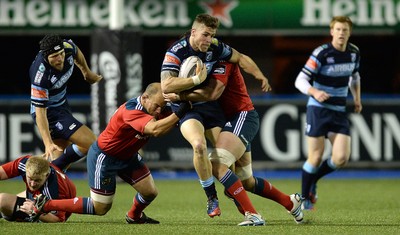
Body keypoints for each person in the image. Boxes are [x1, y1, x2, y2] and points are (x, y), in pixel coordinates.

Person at [25, 83, 192, 224]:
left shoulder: (156, 107)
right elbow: (155, 130)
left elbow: (161, 127)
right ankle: (46, 204)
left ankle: (134, 216)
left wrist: (185, 99)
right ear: (145, 97)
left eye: (162, 107)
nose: (159, 111)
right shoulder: (131, 110)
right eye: (157, 106)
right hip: (104, 157)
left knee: (150, 192)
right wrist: (179, 113)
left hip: (128, 156)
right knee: (101, 208)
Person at [160, 13, 271, 219]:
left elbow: (241, 58)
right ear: (193, 32)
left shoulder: (215, 47)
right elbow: (166, 85)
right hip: (186, 108)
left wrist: (259, 75)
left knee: (232, 167)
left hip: (211, 108)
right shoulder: (175, 52)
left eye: (211, 35)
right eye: (205, 35)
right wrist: (195, 79)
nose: (208, 40)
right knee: (199, 146)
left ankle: (254, 206)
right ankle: (212, 198)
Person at [165, 61, 303, 225]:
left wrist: (180, 94)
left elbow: (211, 94)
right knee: (246, 181)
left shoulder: (223, 62)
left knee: (216, 165)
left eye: (210, 36)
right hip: (232, 122)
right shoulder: (208, 59)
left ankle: (252, 215)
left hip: (241, 117)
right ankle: (290, 202)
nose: (208, 41)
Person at [294, 16, 362, 210]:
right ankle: (304, 199)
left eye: (345, 30)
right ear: (332, 32)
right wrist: (314, 92)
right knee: (315, 156)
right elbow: (300, 80)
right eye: (338, 29)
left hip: (339, 111)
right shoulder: (321, 53)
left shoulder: (354, 53)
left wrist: (357, 99)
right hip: (318, 109)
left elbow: (355, 77)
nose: (341, 33)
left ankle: (312, 179)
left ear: (349, 33)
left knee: (341, 158)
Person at [29, 34, 102, 167]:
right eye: (54, 56)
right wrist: (48, 143)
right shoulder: (40, 76)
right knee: (92, 143)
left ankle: (50, 178)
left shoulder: (67, 47)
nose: (60, 59)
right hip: (49, 113)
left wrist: (86, 72)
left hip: (62, 106)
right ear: (46, 57)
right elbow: (40, 112)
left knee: (60, 165)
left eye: (61, 53)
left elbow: (76, 51)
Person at [0, 155, 76, 223]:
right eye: (30, 178)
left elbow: (59, 219)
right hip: (37, 197)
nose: (32, 184)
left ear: (46, 175)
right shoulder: (24, 163)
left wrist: (34, 211)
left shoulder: (54, 190)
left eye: (37, 180)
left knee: (3, 200)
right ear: (26, 171)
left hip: (49, 211)